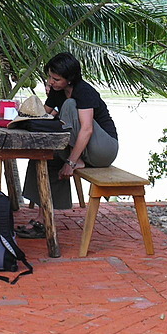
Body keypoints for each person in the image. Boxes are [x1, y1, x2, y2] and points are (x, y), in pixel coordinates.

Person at [18, 51, 118, 238]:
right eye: (49, 77)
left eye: (56, 79)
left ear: (70, 79)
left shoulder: (84, 92)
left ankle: (76, 159)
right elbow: (44, 116)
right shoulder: (57, 92)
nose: (51, 82)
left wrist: (71, 162)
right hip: (78, 147)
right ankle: (43, 219)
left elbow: (87, 129)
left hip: (103, 149)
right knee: (43, 158)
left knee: (70, 105)